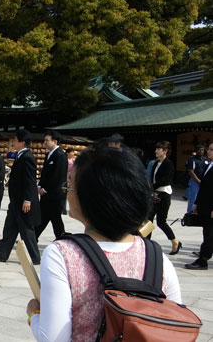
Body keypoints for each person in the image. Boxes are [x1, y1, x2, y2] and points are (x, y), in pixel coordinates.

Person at [26, 146, 182, 341]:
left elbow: (54, 339)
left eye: (70, 185)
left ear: (92, 197)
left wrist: (34, 314)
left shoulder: (62, 255)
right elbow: (175, 328)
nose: (67, 192)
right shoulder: (159, 259)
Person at [0, 129, 41, 264]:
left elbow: (30, 180)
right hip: (16, 200)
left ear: (22, 142)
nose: (13, 143)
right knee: (10, 228)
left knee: (27, 230)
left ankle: (34, 257)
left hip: (23, 201)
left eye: (15, 140)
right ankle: (1, 253)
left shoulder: (27, 157)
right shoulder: (20, 155)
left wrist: (28, 200)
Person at [148, 141, 181, 255]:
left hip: (164, 195)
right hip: (154, 195)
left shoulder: (168, 164)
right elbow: (153, 178)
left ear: (165, 151)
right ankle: (146, 244)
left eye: (159, 149)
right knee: (148, 221)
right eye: (156, 148)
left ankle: (175, 241)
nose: (156, 151)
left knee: (161, 222)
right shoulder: (156, 163)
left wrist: (152, 187)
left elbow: (166, 180)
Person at [185, 142, 213, 270]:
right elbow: (205, 187)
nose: (208, 151)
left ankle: (203, 260)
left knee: (209, 235)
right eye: (209, 149)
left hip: (211, 208)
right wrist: (196, 203)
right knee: (208, 233)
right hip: (205, 206)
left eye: (211, 149)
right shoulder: (209, 164)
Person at [36, 130, 68, 239]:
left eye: (47, 140)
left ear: (55, 141)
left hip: (55, 195)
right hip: (47, 195)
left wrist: (45, 189)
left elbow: (58, 177)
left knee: (55, 220)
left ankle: (62, 239)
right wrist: (40, 186)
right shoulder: (49, 154)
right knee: (42, 219)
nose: (44, 142)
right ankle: (30, 239)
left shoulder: (60, 155)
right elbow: (45, 174)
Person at [186, 145, 210, 214]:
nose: (201, 151)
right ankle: (190, 213)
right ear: (196, 151)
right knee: (193, 198)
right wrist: (198, 181)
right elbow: (191, 172)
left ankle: (199, 212)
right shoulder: (192, 160)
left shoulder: (206, 160)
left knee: (203, 198)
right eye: (199, 150)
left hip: (204, 182)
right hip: (195, 182)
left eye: (202, 150)